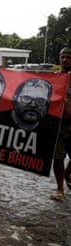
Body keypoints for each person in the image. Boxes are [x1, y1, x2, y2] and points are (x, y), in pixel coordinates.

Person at [51, 47, 71, 201]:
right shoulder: (55, 77)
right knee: (57, 158)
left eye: (68, 57)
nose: (65, 60)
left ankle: (67, 172)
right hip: (59, 125)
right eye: (62, 57)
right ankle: (60, 188)